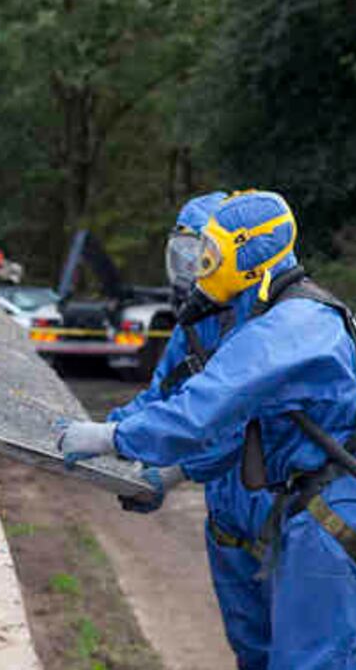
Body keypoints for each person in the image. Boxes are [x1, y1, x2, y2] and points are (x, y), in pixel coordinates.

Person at [56, 190, 356, 669]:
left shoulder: (279, 329)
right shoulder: (312, 311)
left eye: (209, 256)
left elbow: (200, 413)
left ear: (243, 258)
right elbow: (243, 429)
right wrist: (160, 462)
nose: (198, 269)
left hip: (329, 522)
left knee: (309, 661)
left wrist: (109, 438)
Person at [107, 191, 274, 669]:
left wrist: (172, 472)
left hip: (285, 514)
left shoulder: (271, 325)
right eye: (180, 254)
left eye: (199, 255)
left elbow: (249, 425)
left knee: (304, 651)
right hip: (229, 520)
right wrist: (105, 433)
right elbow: (163, 400)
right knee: (251, 649)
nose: (188, 270)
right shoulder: (195, 326)